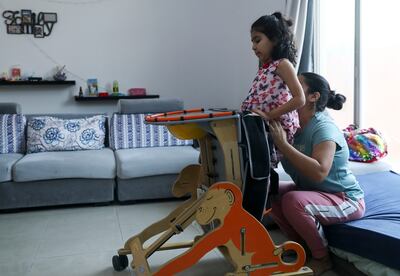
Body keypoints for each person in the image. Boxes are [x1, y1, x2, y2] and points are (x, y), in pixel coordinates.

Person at [254, 72, 365, 275]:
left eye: (296, 85)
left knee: (292, 200)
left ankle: (322, 259)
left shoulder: (324, 128)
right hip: (313, 191)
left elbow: (320, 172)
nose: (288, 90)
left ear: (313, 96)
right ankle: (301, 248)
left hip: (345, 198)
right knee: (271, 190)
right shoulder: (291, 124)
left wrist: (283, 145)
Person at [241, 11, 305, 162]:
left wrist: (270, 115)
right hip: (260, 125)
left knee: (257, 166)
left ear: (274, 39)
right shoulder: (265, 67)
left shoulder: (283, 64)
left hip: (274, 126)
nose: (253, 47)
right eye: (252, 42)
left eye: (257, 40)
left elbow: (300, 99)